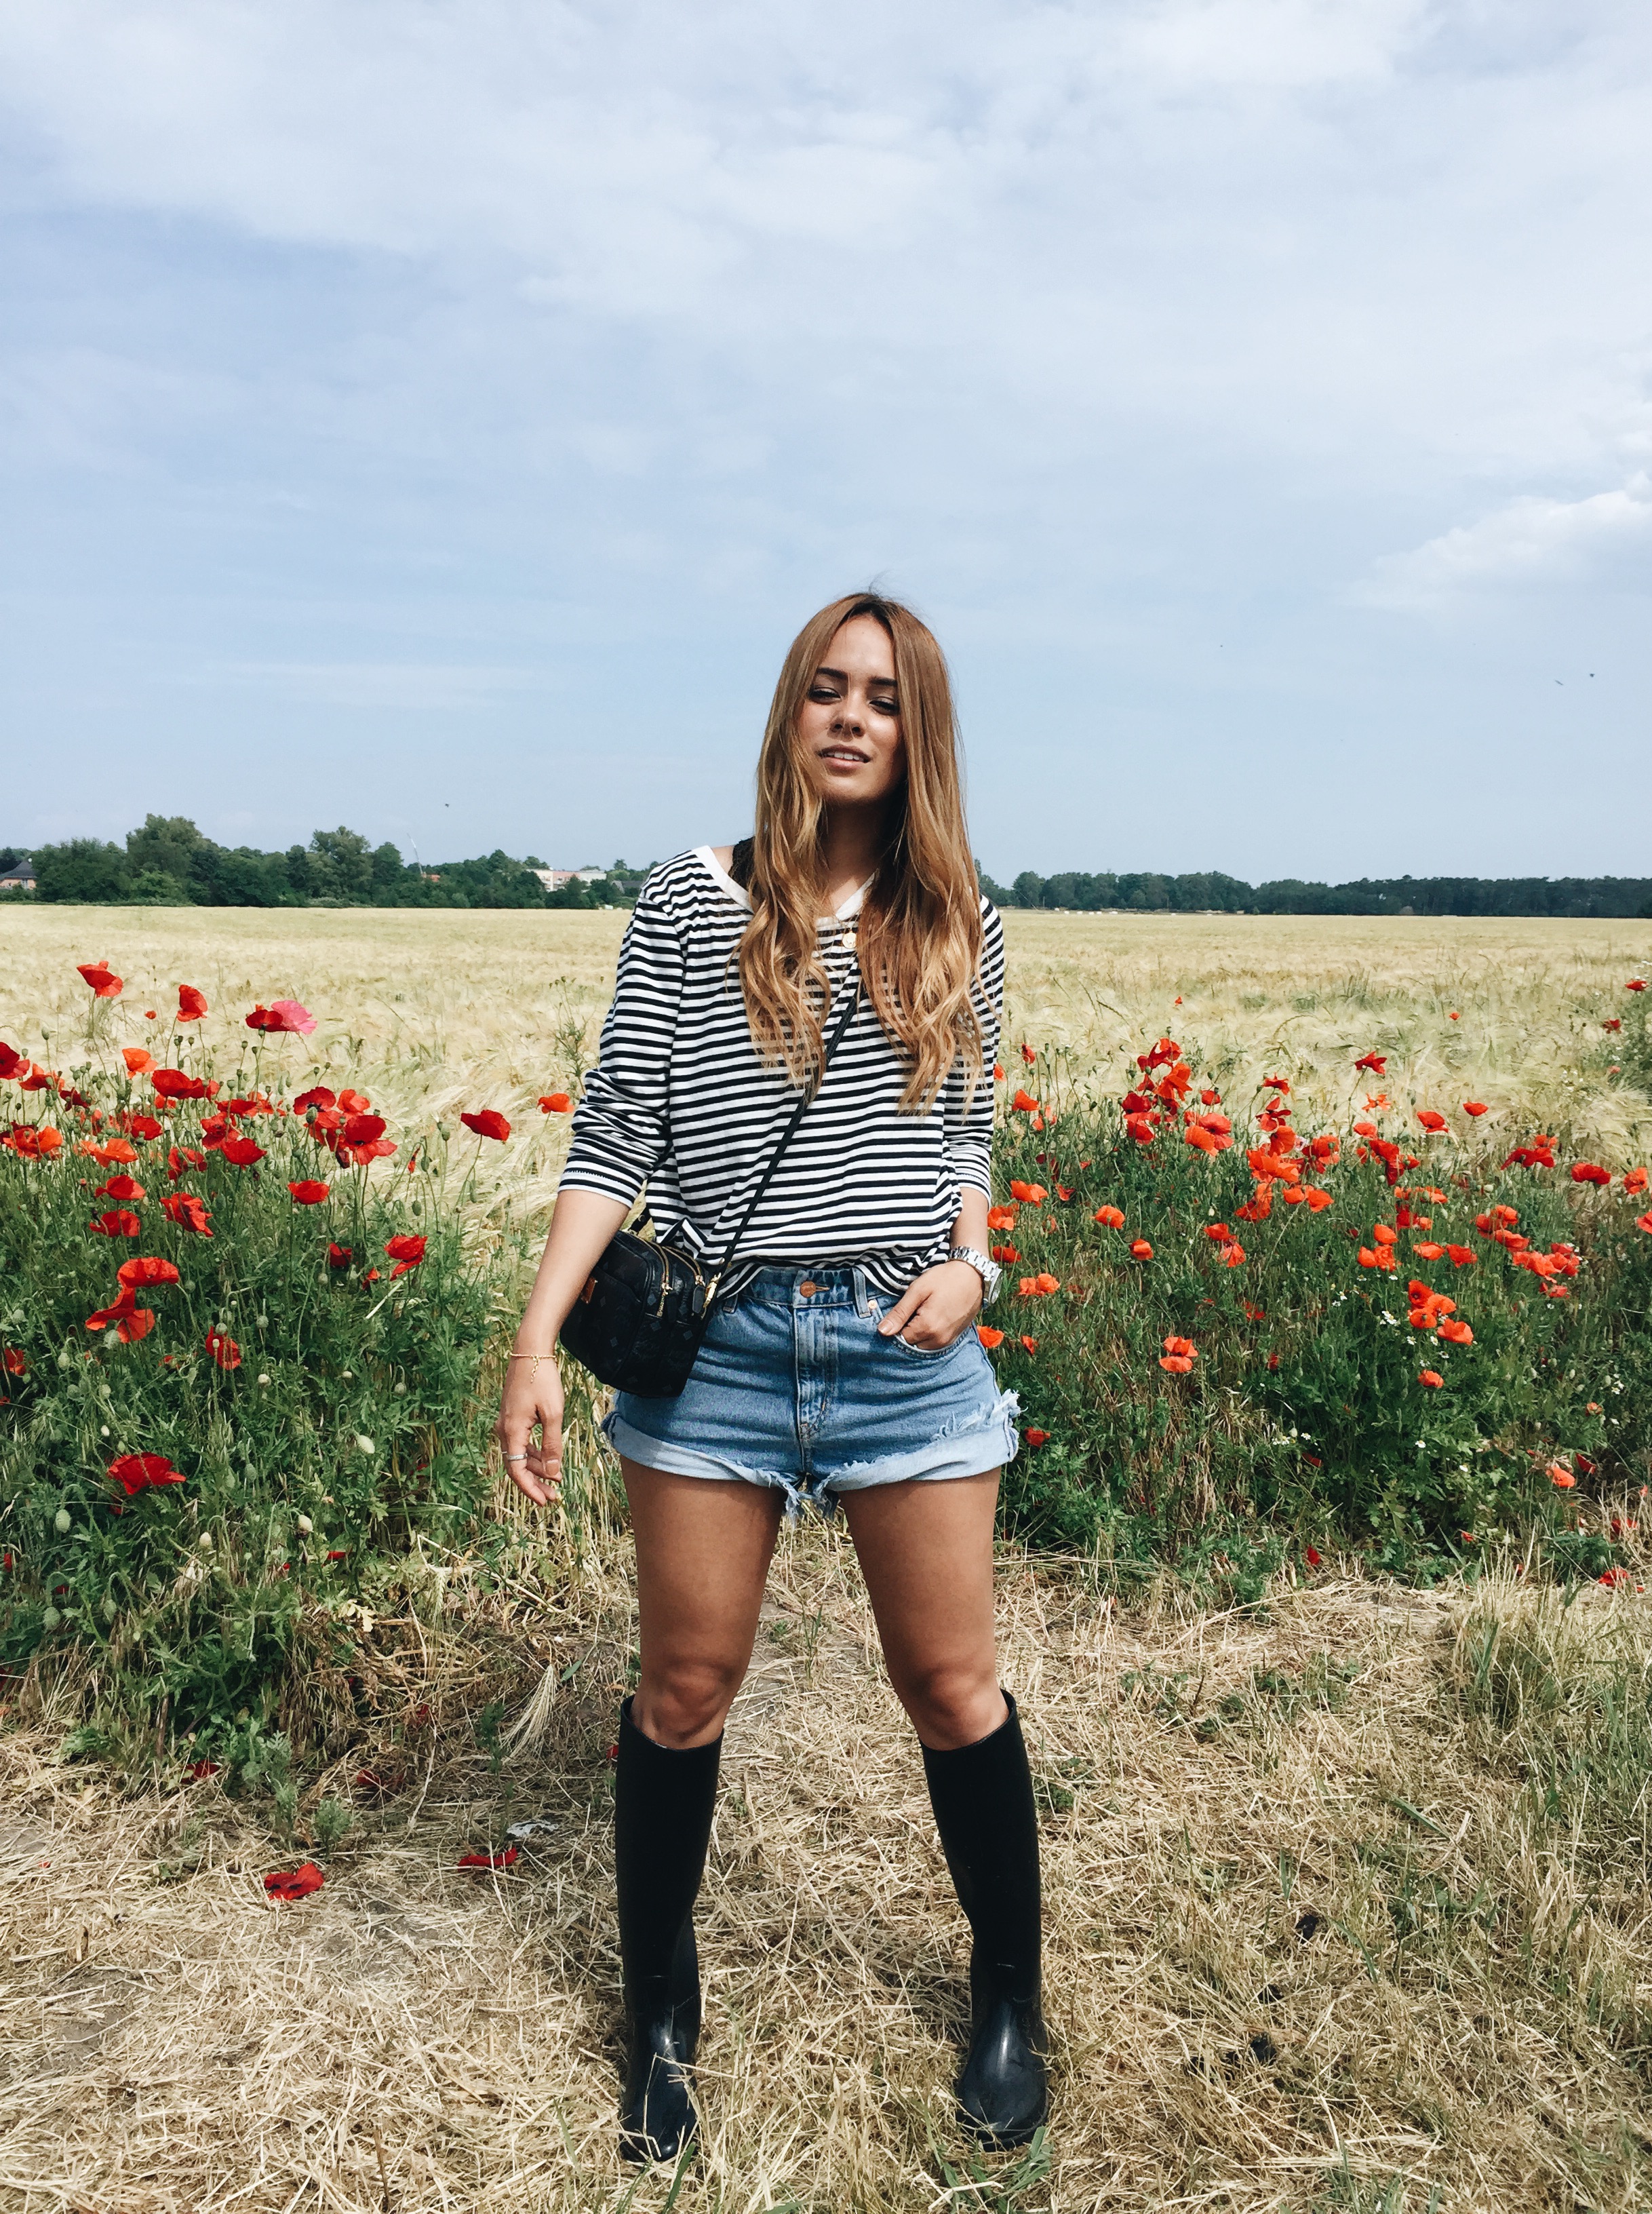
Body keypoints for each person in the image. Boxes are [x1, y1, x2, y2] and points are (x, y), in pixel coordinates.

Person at [496, 591, 1046, 2162]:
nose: (852, 716)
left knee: (953, 1690)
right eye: (826, 688)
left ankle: (1009, 1999)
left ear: (916, 730)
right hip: (718, 1354)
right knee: (683, 1690)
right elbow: (617, 1133)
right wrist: (538, 1339)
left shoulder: (961, 922)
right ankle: (659, 2019)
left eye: (883, 695)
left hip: (901, 1350)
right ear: (791, 715)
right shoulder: (689, 906)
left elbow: (965, 1139)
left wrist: (975, 1264)